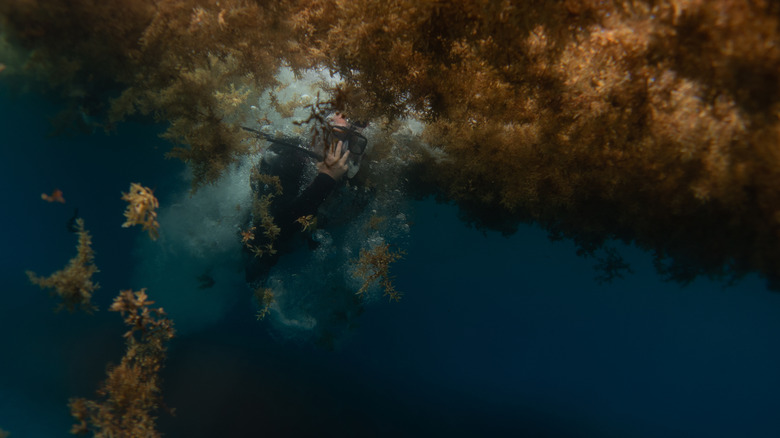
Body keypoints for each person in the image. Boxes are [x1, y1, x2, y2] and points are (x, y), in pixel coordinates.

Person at [244, 113, 366, 285]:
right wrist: (327, 178)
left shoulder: (344, 163)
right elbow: (274, 229)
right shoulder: (290, 159)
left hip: (302, 240)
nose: (343, 147)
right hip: (259, 245)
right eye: (336, 136)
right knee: (256, 268)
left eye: (351, 141)